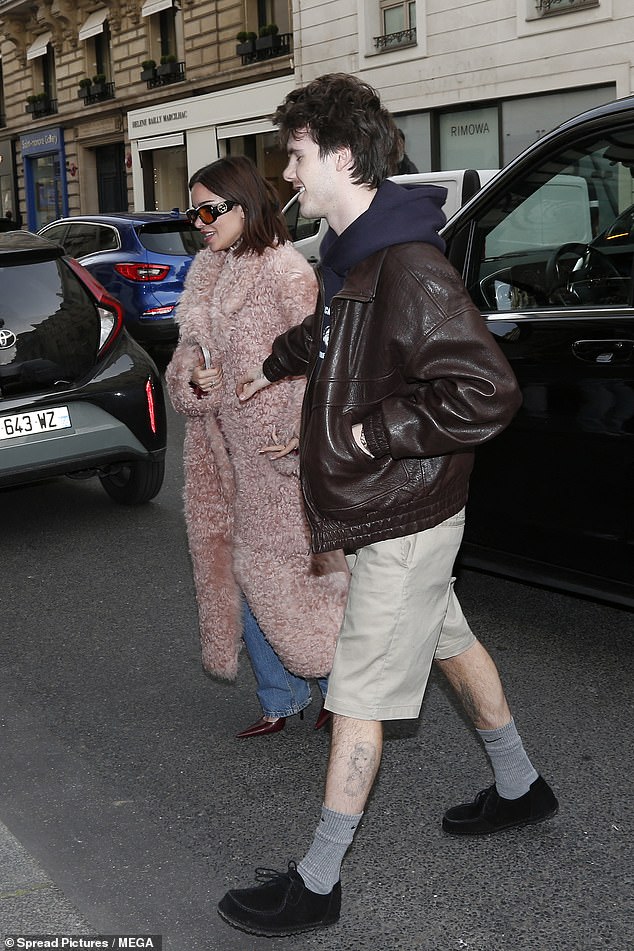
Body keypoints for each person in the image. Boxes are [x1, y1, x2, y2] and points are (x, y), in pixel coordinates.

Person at [218, 74, 558, 935]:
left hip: (403, 513)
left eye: (295, 156)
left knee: (359, 690)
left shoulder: (409, 264)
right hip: (395, 509)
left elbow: (487, 391)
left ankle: (318, 880)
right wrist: (270, 365)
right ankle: (521, 784)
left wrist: (366, 438)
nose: (287, 174)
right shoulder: (356, 255)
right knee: (450, 639)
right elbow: (336, 334)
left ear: (337, 154)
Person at [165, 155, 348, 739]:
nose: (199, 222)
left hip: (277, 458)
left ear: (244, 207)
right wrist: (194, 378)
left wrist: (301, 436)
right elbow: (184, 365)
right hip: (220, 463)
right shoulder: (206, 273)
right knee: (236, 578)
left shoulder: (287, 271)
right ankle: (281, 695)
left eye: (208, 210)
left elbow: (324, 364)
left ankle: (339, 692)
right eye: (192, 211)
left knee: (296, 584)